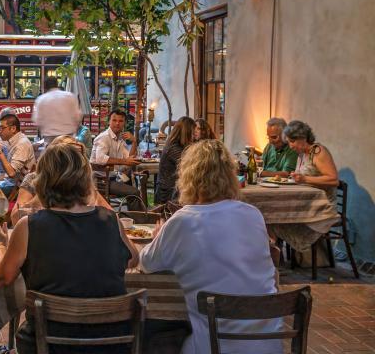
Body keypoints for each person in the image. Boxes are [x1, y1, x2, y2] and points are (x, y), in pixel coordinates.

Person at [0, 144, 139, 354]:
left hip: (47, 344)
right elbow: (132, 259)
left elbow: (3, 278)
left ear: (43, 180)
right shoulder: (110, 220)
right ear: (86, 180)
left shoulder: (29, 226)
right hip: (111, 343)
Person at [140, 139, 282, 354]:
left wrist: (159, 236)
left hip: (214, 345)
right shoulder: (252, 214)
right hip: (267, 344)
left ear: (188, 177)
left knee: (155, 333)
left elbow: (146, 263)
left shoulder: (183, 221)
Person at [10, 136, 113, 225]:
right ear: (52, 157)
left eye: (78, 156)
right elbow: (15, 219)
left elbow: (111, 215)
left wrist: (89, 188)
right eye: (67, 155)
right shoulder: (34, 178)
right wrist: (44, 188)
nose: (73, 162)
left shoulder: (82, 182)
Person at [89, 109, 144, 210]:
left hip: (113, 178)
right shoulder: (104, 137)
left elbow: (128, 159)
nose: (117, 123)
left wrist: (134, 142)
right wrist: (124, 161)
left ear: (124, 123)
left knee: (134, 182)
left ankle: (137, 216)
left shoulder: (120, 139)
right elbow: (100, 159)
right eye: (114, 120)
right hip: (100, 181)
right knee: (134, 192)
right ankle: (138, 219)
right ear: (109, 122)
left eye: (120, 121)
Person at [284, 120, 338, 201]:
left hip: (322, 205)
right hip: (307, 201)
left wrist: (304, 179)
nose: (290, 146)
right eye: (289, 143)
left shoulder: (317, 151)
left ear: (303, 138)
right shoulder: (301, 154)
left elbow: (333, 180)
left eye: (292, 141)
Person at [154, 116, 195, 204]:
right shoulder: (173, 148)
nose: (194, 136)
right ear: (186, 133)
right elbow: (192, 166)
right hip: (167, 195)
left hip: (174, 191)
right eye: (192, 133)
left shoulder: (177, 145)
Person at [32, 77, 82, 144]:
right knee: (69, 154)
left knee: (51, 154)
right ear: (57, 84)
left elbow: (37, 121)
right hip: (68, 137)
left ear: (45, 87)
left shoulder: (41, 100)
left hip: (50, 138)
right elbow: (78, 117)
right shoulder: (70, 97)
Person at [0, 113, 36, 197]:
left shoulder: (22, 144)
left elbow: (11, 173)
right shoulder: (13, 141)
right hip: (12, 183)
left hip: (17, 187)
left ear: (13, 128)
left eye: (2, 128)